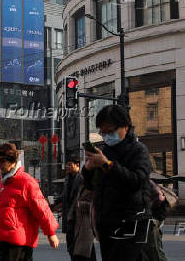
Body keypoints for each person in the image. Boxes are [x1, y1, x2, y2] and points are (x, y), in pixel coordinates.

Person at [83, 105, 152, 261]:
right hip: (106, 221)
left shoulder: (138, 150)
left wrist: (107, 164)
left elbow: (137, 181)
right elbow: (91, 186)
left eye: (110, 131)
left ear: (125, 127)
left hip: (132, 221)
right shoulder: (104, 151)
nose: (106, 136)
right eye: (102, 132)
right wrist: (88, 169)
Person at [0, 143, 59, 261]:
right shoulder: (2, 180)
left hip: (18, 240)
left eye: (2, 162)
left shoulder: (26, 182)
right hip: (2, 239)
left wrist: (51, 233)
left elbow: (41, 208)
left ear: (12, 161)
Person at [55, 155, 96, 261]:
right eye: (66, 164)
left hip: (81, 217)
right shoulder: (67, 179)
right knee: (72, 245)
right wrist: (53, 202)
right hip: (69, 217)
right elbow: (64, 195)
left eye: (69, 164)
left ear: (77, 165)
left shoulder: (82, 179)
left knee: (84, 247)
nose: (67, 167)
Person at [141, 180, 169, 261]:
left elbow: (159, 199)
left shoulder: (147, 183)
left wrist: (144, 208)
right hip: (145, 221)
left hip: (150, 221)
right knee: (145, 254)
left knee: (155, 253)